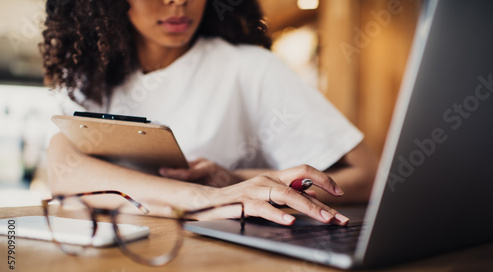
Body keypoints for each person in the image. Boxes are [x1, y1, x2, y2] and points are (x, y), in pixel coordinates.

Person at [41, 0, 378, 226]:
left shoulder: (250, 68)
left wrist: (235, 181)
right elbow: (63, 169)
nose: (178, 1)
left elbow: (369, 176)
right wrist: (205, 198)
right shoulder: (96, 80)